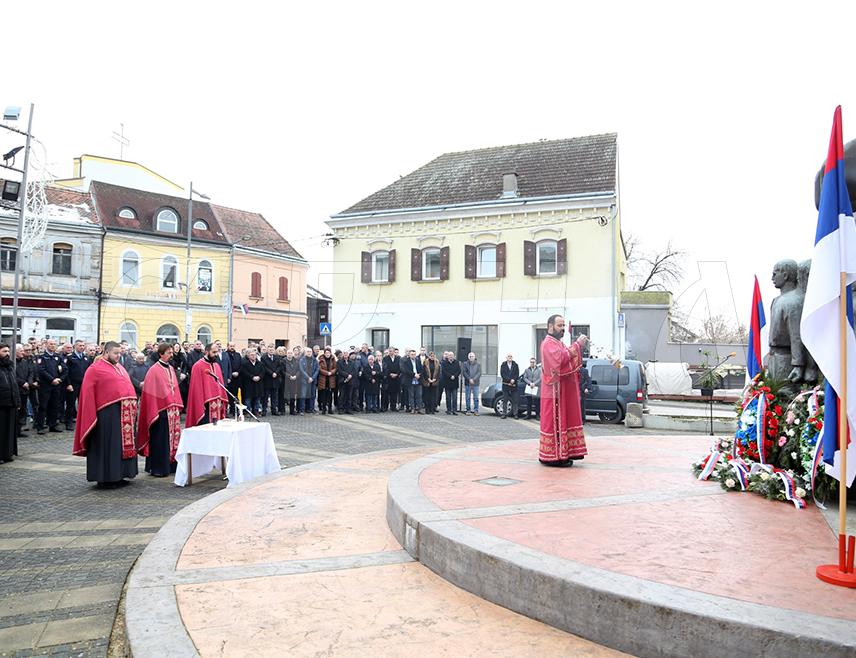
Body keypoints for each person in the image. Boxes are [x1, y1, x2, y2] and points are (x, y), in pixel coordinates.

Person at [73, 341, 139, 486]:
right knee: (107, 446)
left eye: (119, 353)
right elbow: (87, 394)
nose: (118, 356)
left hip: (122, 414)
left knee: (118, 446)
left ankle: (120, 474)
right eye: (115, 353)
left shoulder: (119, 367)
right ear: (106, 352)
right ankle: (105, 478)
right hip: (105, 416)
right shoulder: (95, 369)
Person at [539, 314, 589, 467]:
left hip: (560, 392)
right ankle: (553, 456)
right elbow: (560, 360)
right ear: (550, 326)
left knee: (563, 421)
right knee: (554, 423)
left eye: (563, 326)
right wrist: (577, 345)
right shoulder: (548, 343)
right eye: (559, 325)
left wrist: (577, 347)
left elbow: (567, 358)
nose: (562, 329)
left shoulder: (558, 343)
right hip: (553, 393)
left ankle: (565, 453)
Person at [137, 343, 184, 477]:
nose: (171, 355)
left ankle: (171, 465)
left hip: (172, 409)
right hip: (159, 410)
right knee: (160, 439)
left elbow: (174, 388)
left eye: (171, 352)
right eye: (169, 352)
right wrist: (160, 405)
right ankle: (158, 468)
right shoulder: (154, 370)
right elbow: (150, 392)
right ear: (161, 354)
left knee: (172, 439)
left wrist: (175, 402)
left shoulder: (171, 368)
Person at [185, 343, 229, 427]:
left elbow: (220, 384)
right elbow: (196, 389)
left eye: (217, 352)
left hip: (217, 403)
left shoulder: (217, 366)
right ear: (206, 352)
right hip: (205, 405)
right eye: (214, 352)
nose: (216, 354)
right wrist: (200, 403)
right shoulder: (198, 366)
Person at [35, 339, 67, 434]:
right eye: (51, 344)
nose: (53, 346)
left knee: (54, 405)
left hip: (57, 385)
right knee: (43, 406)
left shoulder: (58, 357)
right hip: (45, 385)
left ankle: (52, 424)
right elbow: (41, 370)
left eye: (54, 344)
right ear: (46, 345)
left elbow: (65, 369)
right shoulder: (42, 357)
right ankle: (40, 426)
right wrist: (52, 379)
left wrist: (60, 379)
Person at [0, 344, 20, 463]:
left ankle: (8, 453)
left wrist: (17, 401)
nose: (7, 353)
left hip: (11, 402)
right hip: (1, 403)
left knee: (9, 430)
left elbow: (14, 384)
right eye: (4, 351)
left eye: (8, 351)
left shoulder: (10, 366)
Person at [15, 344, 37, 437]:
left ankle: (19, 430)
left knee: (23, 410)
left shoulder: (24, 362)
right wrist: (23, 383)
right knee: (17, 410)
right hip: (17, 389)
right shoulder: (13, 362)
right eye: (21, 351)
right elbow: (13, 375)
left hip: (25, 389)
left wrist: (29, 382)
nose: (23, 352)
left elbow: (30, 372)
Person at [240, 349, 265, 416]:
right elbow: (244, 372)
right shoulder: (245, 364)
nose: (253, 356)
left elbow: (263, 372)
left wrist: (259, 377)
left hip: (258, 383)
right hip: (249, 383)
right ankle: (248, 411)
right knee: (248, 399)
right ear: (249, 356)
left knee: (257, 399)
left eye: (254, 355)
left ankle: (256, 411)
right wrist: (252, 377)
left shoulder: (260, 364)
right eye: (251, 355)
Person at [261, 346, 282, 416]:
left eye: (272, 350)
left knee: (274, 396)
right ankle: (264, 410)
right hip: (267, 379)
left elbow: (279, 366)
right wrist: (271, 373)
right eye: (270, 350)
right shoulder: (263, 358)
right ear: (267, 350)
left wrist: (276, 372)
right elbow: (264, 367)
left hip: (275, 379)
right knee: (265, 396)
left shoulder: (277, 357)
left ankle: (274, 410)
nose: (271, 351)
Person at [298, 348, 319, 415]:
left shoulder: (315, 360)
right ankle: (302, 410)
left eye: (310, 351)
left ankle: (311, 409)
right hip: (304, 380)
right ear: (305, 352)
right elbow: (301, 370)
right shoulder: (302, 360)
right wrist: (308, 378)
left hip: (313, 381)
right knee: (303, 395)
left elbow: (317, 370)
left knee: (312, 395)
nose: (309, 353)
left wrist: (312, 378)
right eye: (307, 351)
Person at [317, 347, 337, 414]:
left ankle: (330, 409)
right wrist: (327, 373)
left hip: (331, 379)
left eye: (328, 353)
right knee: (323, 395)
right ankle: (324, 409)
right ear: (324, 353)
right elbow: (320, 369)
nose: (327, 354)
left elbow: (335, 368)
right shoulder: (321, 359)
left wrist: (331, 372)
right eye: (326, 353)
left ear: (330, 353)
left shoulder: (333, 359)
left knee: (330, 395)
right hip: (323, 379)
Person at [499, 354, 520, 419]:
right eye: (509, 356)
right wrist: (509, 380)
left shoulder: (515, 365)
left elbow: (517, 374)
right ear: (506, 358)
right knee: (505, 400)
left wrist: (513, 380)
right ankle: (504, 414)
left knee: (515, 400)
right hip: (506, 385)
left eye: (511, 356)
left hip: (514, 385)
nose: (510, 357)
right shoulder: (503, 365)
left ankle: (515, 414)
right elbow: (502, 374)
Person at [283, 347, 301, 415]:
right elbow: (282, 371)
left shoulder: (296, 361)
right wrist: (289, 376)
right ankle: (282, 410)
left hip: (294, 380)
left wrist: (296, 376)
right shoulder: (283, 361)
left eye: (291, 353)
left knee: (292, 396)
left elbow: (299, 370)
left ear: (292, 354)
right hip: (286, 380)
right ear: (286, 354)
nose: (289, 354)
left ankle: (292, 410)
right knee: (284, 396)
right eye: (288, 353)